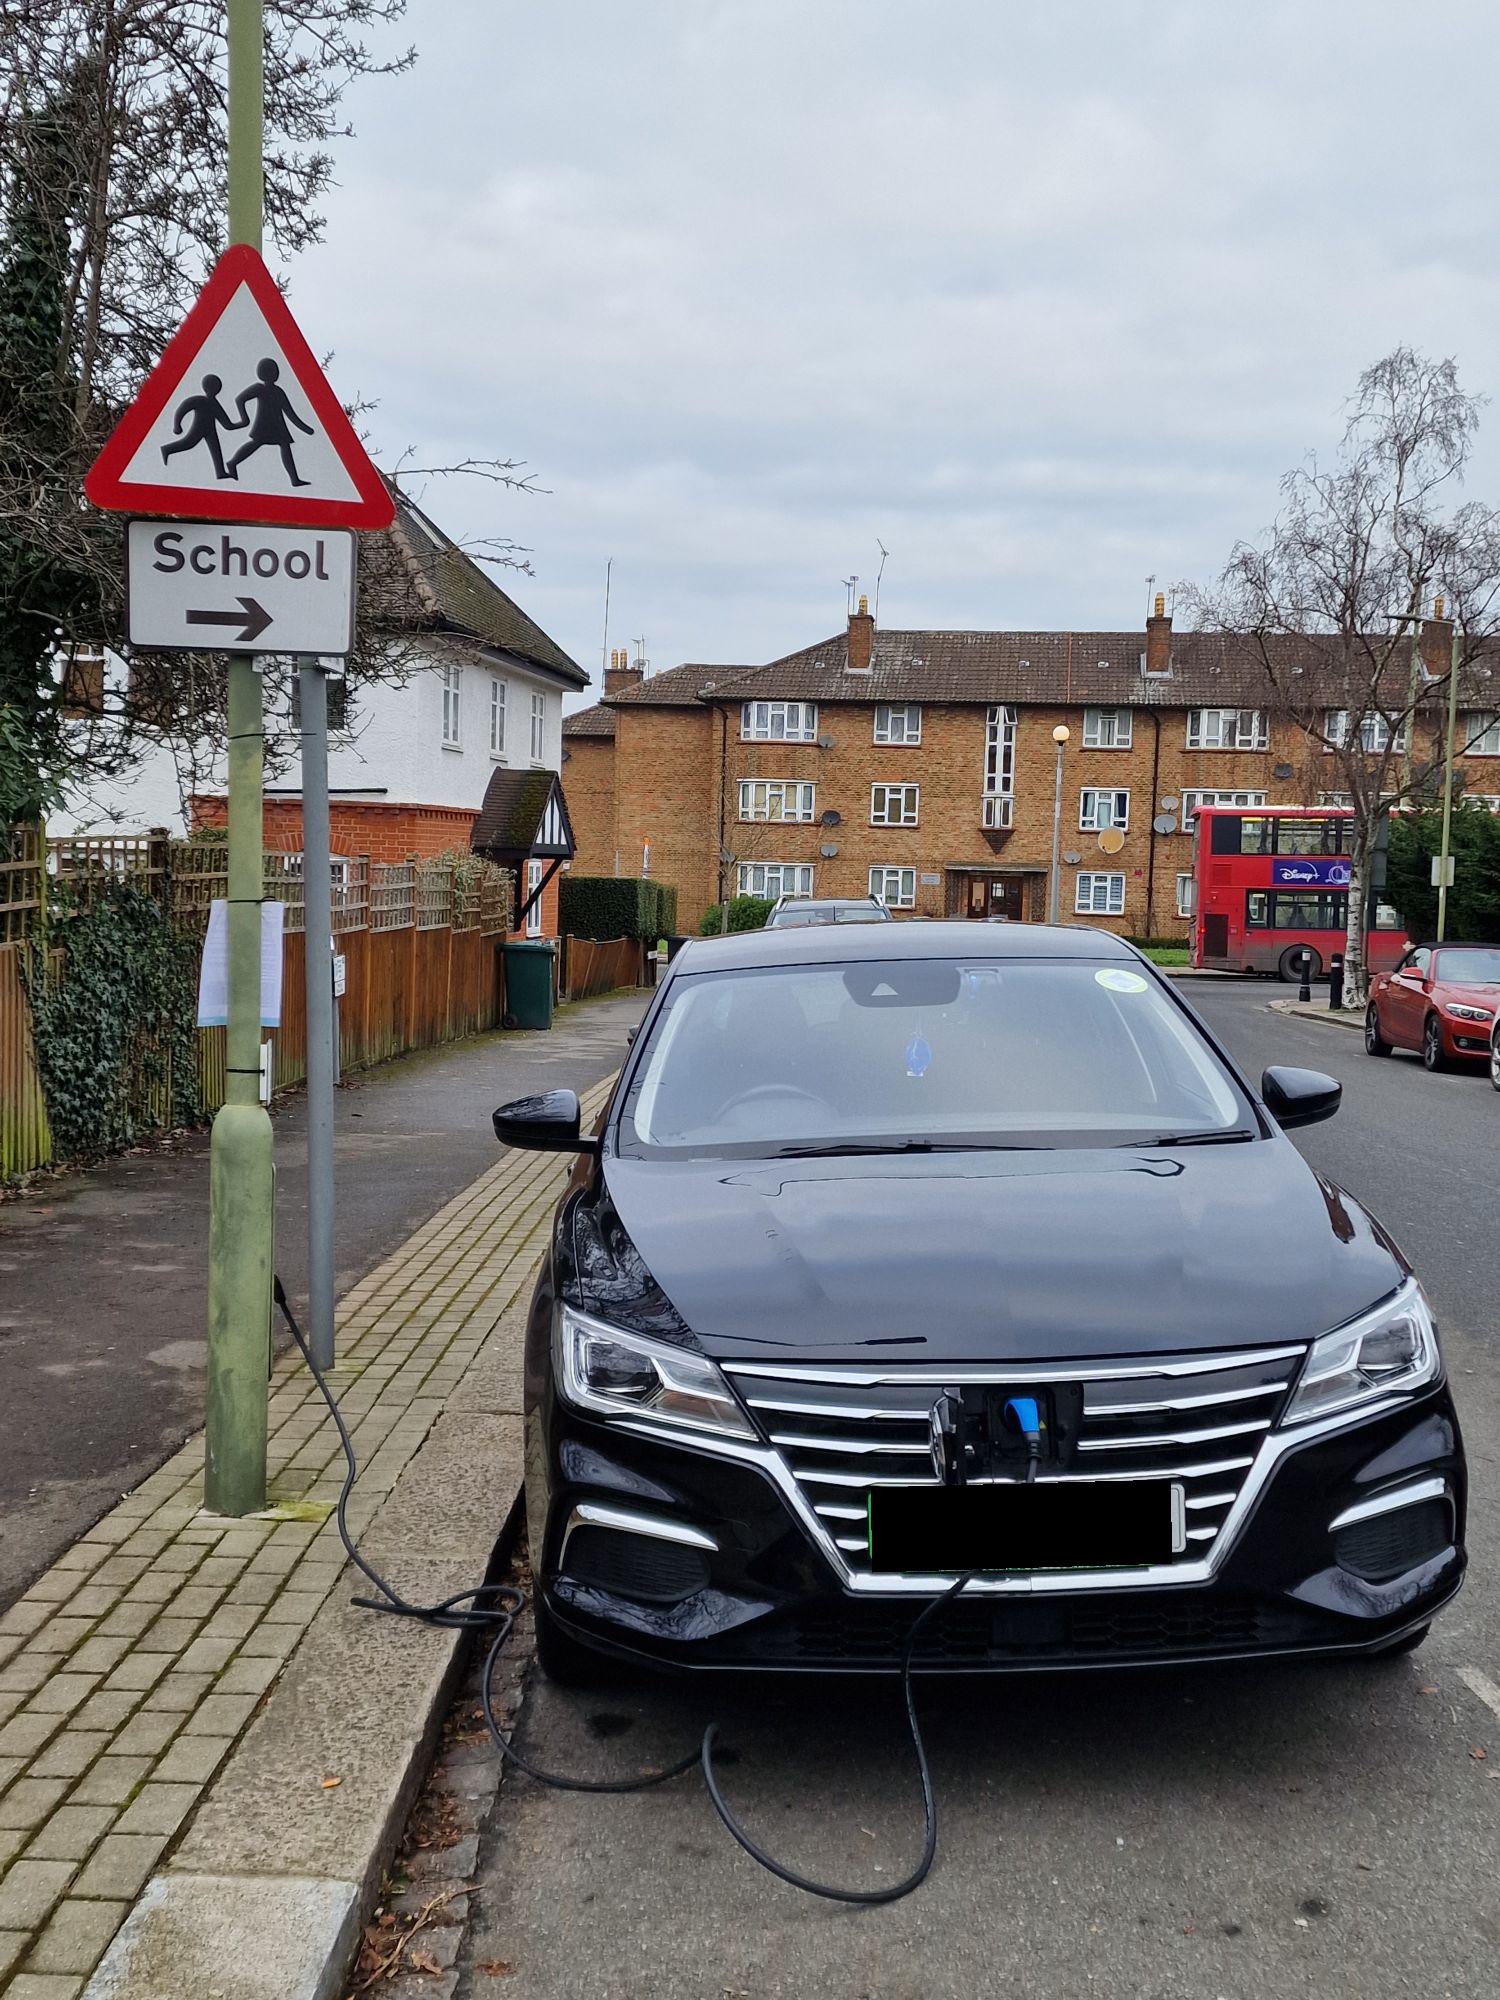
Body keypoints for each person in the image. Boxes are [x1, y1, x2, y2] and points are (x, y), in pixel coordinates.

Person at [224, 357, 315, 485]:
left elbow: (290, 413)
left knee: (284, 446)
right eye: (273, 371)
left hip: (277, 425)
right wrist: (244, 418)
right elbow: (240, 399)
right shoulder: (258, 388)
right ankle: (232, 463)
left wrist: (306, 429)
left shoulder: (279, 391)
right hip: (264, 424)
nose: (276, 374)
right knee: (256, 443)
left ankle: (294, 479)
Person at [161, 374, 242, 480]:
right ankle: (167, 449)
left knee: (216, 450)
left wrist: (242, 424)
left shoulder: (214, 403)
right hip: (199, 429)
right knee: (188, 443)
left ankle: (220, 472)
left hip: (210, 431)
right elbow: (183, 408)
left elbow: (227, 424)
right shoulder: (200, 400)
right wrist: (177, 425)